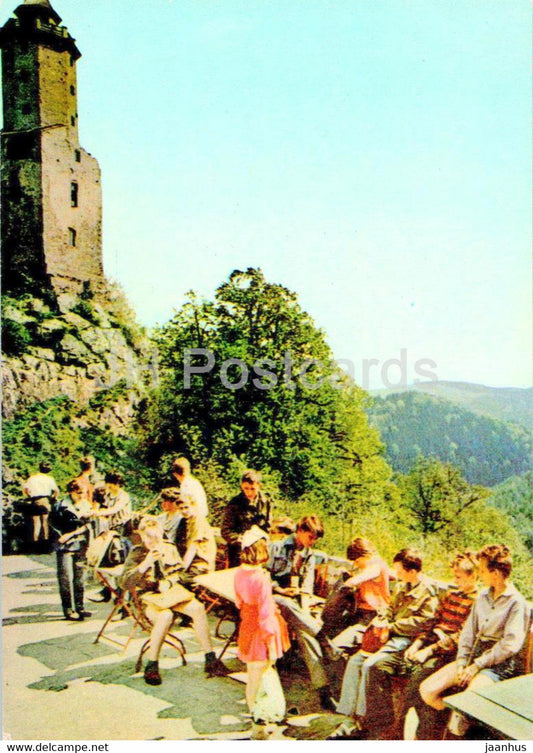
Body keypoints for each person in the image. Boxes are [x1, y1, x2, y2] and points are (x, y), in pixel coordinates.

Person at [419, 544, 529, 739]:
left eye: (482, 570)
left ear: (495, 573)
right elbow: (468, 633)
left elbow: (509, 645)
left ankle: (460, 727)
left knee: (467, 703)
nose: (479, 574)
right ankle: (457, 721)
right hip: (473, 657)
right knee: (427, 690)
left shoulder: (516, 603)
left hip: (499, 665)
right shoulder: (482, 597)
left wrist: (476, 666)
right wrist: (462, 662)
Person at [329, 548, 439, 739]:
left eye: (400, 571)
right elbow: (388, 608)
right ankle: (348, 715)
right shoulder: (402, 586)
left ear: (412, 571)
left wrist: (392, 627)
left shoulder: (428, 592)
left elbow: (423, 622)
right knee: (355, 661)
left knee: (370, 665)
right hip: (388, 634)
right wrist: (382, 620)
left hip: (406, 640)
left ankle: (364, 720)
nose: (396, 575)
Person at [120, 516, 229, 685]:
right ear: (141, 535)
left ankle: (210, 659)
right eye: (148, 537)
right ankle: (152, 663)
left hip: (170, 592)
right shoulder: (137, 553)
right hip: (148, 596)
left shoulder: (168, 548)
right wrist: (146, 563)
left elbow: (179, 571)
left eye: (156, 537)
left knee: (198, 608)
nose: (153, 541)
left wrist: (169, 582)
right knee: (165, 616)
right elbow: (124, 583)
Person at [398, 550, 479, 740]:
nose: (455, 580)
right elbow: (432, 623)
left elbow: (460, 637)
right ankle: (411, 732)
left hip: (449, 654)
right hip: (431, 647)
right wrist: (417, 644)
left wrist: (429, 650)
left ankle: (416, 735)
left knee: (417, 684)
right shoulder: (451, 596)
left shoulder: (476, 602)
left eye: (458, 577)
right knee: (406, 671)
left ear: (473, 575)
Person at [268, 514, 336, 711]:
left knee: (308, 637)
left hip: (295, 603)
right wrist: (280, 590)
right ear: (300, 531)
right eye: (310, 537)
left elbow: (306, 587)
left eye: (315, 539)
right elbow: (263, 576)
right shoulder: (277, 547)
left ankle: (322, 690)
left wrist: (305, 611)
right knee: (286, 605)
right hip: (274, 596)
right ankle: (322, 635)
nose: (312, 542)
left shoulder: (308, 555)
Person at [234, 526, 290, 716]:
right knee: (262, 672)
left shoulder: (239, 573)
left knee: (252, 676)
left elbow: (238, 601)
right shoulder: (261, 579)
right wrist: (271, 643)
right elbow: (266, 614)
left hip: (247, 625)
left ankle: (255, 711)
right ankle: (259, 715)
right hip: (261, 630)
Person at [316, 537, 390, 645]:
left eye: (357, 561)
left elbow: (367, 575)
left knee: (338, 642)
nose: (356, 564)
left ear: (366, 555)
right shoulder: (367, 566)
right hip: (359, 611)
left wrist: (349, 583)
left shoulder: (376, 565)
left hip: (373, 615)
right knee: (327, 632)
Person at [50, 479, 93, 621]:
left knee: (80, 578)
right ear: (71, 492)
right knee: (66, 579)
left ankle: (80, 607)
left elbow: (89, 525)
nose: (82, 496)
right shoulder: (60, 506)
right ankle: (68, 610)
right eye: (79, 493)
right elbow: (51, 524)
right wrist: (61, 536)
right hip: (64, 546)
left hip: (80, 544)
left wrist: (73, 534)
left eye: (84, 493)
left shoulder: (86, 505)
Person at [221, 470, 271, 567]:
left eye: (253, 489)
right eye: (246, 488)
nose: (249, 492)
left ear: (259, 486)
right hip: (239, 552)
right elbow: (225, 530)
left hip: (258, 551)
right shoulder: (234, 503)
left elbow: (268, 526)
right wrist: (241, 540)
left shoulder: (265, 502)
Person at [175, 494, 216, 584]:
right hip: (191, 562)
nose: (184, 511)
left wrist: (181, 569)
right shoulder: (186, 521)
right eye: (181, 508)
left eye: (186, 507)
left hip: (201, 565)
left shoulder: (198, 521)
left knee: (178, 579)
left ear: (194, 506)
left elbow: (192, 549)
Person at [22, 461, 59, 550]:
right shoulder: (49, 479)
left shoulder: (32, 478)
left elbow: (26, 489)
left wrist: (30, 496)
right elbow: (56, 491)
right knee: (45, 523)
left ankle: (35, 543)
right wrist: (54, 498)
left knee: (36, 523)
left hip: (34, 501)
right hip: (45, 500)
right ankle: (45, 543)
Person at [94, 472, 132, 536]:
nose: (109, 486)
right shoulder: (107, 495)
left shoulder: (123, 496)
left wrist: (99, 513)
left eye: (113, 484)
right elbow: (101, 506)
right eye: (107, 483)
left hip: (123, 526)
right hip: (111, 525)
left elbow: (115, 509)